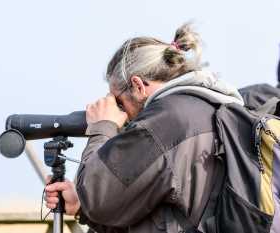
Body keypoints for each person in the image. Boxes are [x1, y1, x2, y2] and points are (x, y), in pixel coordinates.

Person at [44, 24, 244, 233]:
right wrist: (80, 207)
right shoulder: (212, 108)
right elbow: (163, 216)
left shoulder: (165, 122)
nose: (121, 114)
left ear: (138, 85)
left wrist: (102, 127)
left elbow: (96, 196)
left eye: (118, 102)